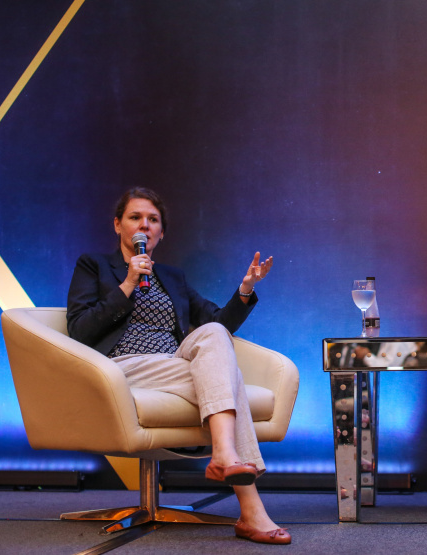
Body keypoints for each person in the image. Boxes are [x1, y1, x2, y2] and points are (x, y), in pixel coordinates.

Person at [67, 187, 290, 545]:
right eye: (135, 217)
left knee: (213, 333)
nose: (145, 225)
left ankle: (226, 458)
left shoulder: (172, 277)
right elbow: (80, 329)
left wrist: (245, 289)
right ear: (118, 225)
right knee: (228, 379)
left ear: (161, 233)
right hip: (123, 367)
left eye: (153, 220)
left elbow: (219, 323)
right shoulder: (94, 265)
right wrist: (128, 283)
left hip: (172, 365)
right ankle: (250, 508)